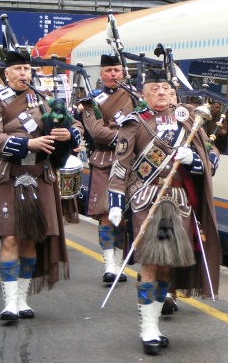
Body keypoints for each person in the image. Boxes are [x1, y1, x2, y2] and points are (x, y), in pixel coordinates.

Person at [107, 68, 221, 355]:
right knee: (149, 263)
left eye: (165, 89)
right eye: (154, 89)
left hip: (180, 199)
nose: (160, 93)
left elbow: (212, 159)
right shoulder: (134, 123)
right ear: (143, 95)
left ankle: (155, 323)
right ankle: (147, 329)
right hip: (147, 198)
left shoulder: (188, 118)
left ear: (172, 92)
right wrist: (116, 203)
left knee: (167, 264)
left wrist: (193, 158)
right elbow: (120, 166)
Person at [0, 51, 80, 321]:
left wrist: (67, 133)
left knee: (31, 238)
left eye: (26, 68)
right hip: (9, 176)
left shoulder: (45, 100)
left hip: (39, 175)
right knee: (10, 237)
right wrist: (28, 143)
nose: (24, 73)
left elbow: (75, 126)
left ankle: (22, 299)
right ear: (6, 74)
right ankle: (10, 302)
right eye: (18, 69)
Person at [81, 54, 136, 284]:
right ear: (101, 74)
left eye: (117, 70)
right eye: (108, 71)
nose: (113, 74)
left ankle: (119, 263)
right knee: (106, 213)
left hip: (128, 163)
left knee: (123, 216)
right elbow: (96, 131)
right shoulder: (90, 101)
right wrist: (126, 139)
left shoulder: (133, 96)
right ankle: (109, 264)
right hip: (104, 160)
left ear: (122, 73)